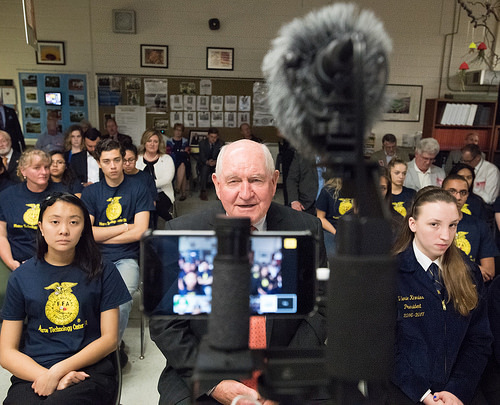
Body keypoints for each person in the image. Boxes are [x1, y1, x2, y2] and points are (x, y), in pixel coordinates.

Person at [149, 139, 327, 405]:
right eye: (233, 181)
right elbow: (165, 323)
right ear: (217, 184)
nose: (245, 193)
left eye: (256, 179)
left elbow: (321, 308)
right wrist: (214, 384)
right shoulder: (182, 233)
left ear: (274, 180)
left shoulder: (306, 229)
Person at [0, 192, 131, 404]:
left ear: (83, 229)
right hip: (34, 371)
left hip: (89, 370)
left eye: (74, 222)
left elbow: (109, 339)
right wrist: (47, 377)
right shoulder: (21, 277)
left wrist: (58, 372)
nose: (64, 230)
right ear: (41, 227)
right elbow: (6, 352)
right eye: (54, 222)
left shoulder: (102, 270)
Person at [390, 186, 492, 404]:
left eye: (452, 225)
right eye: (434, 224)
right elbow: (382, 346)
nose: (445, 236)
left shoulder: (469, 272)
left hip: (458, 390)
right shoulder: (390, 274)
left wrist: (458, 389)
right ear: (413, 224)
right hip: (406, 389)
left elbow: (479, 339)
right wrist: (424, 395)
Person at [81, 139, 154, 340]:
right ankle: (90, 347)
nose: (112, 166)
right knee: (82, 299)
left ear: (123, 160)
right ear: (99, 163)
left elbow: (140, 232)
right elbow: (87, 234)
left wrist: (101, 235)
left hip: (127, 259)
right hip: (93, 258)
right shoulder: (91, 192)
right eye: (106, 161)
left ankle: (111, 350)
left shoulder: (139, 188)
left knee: (121, 302)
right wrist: (124, 227)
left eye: (116, 160)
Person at [0, 149, 66, 271]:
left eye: (46, 167)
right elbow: (1, 235)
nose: (44, 172)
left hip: (54, 261)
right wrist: (12, 263)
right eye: (37, 168)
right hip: (17, 261)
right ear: (23, 171)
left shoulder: (62, 195)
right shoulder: (7, 196)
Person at [442, 174, 498, 284]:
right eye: (452, 191)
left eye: (463, 192)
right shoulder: (432, 223)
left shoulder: (479, 225)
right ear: (442, 193)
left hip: (470, 288)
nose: (458, 197)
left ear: (467, 195)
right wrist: (472, 268)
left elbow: (489, 272)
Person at [136, 129, 175, 222]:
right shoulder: (137, 159)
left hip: (162, 193)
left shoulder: (166, 159)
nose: (152, 144)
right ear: (144, 142)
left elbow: (167, 179)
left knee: (153, 206)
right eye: (149, 141)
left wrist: (148, 185)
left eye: (155, 141)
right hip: (141, 193)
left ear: (159, 144)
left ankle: (165, 224)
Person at [316, 178, 353, 259]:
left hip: (352, 230)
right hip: (331, 230)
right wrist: (336, 232)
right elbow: (320, 217)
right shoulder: (327, 190)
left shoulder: (358, 190)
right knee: (333, 256)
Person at [123, 143, 158, 228]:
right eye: (124, 160)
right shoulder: (117, 178)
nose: (127, 164)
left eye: (131, 160)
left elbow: (153, 202)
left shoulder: (146, 177)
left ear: (136, 158)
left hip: (142, 215)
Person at [166, 123, 191, 201]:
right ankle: (182, 193)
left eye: (180, 130)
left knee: (183, 163)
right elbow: (169, 152)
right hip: (172, 161)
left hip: (183, 160)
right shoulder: (169, 141)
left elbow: (187, 152)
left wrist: (179, 151)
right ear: (174, 131)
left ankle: (177, 188)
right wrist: (181, 151)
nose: (178, 132)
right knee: (182, 165)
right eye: (177, 130)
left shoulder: (185, 141)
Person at [198, 127, 223, 200]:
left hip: (216, 163)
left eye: (215, 137)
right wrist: (207, 162)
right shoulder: (202, 143)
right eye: (211, 137)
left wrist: (216, 162)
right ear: (208, 136)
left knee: (221, 170)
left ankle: (220, 192)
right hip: (205, 163)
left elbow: (221, 156)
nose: (213, 139)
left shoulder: (220, 143)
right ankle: (203, 191)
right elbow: (202, 157)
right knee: (205, 169)